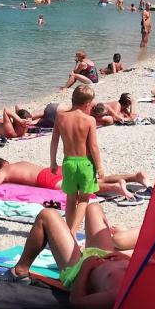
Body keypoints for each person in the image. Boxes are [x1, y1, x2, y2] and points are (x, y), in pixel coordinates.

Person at [5, 203, 134, 309]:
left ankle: (19, 271)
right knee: (94, 208)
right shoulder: (145, 281)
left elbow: (77, 302)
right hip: (105, 256)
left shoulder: (115, 296)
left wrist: (86, 267)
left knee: (47, 214)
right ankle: (72, 236)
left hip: (79, 271)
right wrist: (123, 257)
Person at [50, 85, 102, 236]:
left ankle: (67, 230)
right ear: (87, 104)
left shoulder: (60, 117)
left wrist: (53, 162)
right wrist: (99, 168)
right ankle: (73, 232)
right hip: (85, 163)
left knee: (71, 198)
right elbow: (93, 146)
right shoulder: (89, 120)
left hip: (68, 163)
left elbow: (54, 141)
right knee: (84, 199)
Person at [0, 158, 147, 199]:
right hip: (52, 169)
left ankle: (115, 187)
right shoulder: (19, 163)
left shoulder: (4, 171)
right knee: (91, 181)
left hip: (45, 178)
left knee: (75, 189)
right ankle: (133, 177)